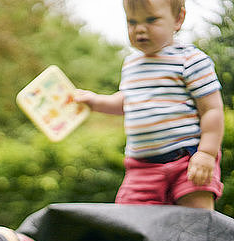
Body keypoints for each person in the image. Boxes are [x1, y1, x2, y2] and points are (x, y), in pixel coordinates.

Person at [76, 0, 224, 210]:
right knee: (130, 224)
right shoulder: (131, 65)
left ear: (178, 19)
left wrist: (207, 153)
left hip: (187, 160)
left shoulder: (190, 60)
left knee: (196, 223)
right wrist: (94, 101)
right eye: (132, 21)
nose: (140, 29)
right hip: (141, 168)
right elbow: (128, 101)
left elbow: (211, 109)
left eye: (151, 20)